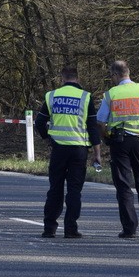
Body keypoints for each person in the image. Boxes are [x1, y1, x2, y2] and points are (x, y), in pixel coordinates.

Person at [97, 59, 139, 238]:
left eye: (111, 75)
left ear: (115, 74)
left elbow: (101, 121)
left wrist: (105, 136)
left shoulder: (111, 94)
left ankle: (129, 229)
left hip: (119, 142)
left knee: (124, 186)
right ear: (128, 72)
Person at [36, 65, 102, 238]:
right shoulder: (85, 97)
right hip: (79, 150)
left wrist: (47, 139)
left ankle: (49, 228)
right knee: (74, 190)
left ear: (62, 78)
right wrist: (97, 153)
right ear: (77, 78)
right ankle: (71, 229)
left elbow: (39, 123)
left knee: (55, 189)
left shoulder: (52, 96)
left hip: (58, 149)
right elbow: (93, 128)